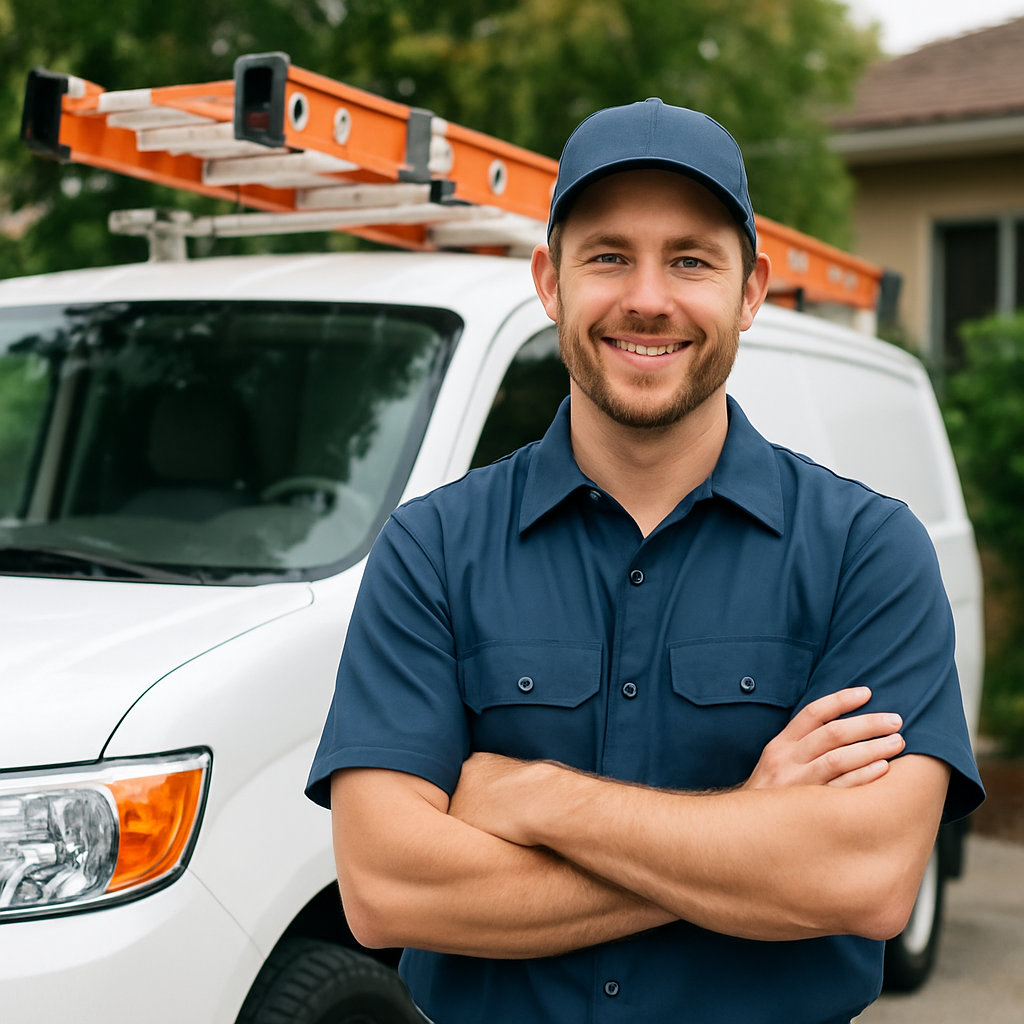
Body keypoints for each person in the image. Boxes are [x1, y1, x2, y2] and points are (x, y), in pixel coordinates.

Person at [306, 98, 984, 1024]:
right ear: (550, 281)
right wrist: (752, 833)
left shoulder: (867, 552)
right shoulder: (431, 550)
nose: (649, 298)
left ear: (752, 291)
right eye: (609, 255)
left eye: (693, 259)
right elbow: (388, 890)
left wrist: (534, 797)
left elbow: (862, 879)